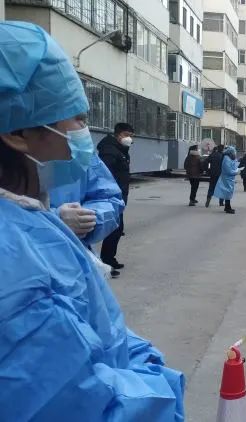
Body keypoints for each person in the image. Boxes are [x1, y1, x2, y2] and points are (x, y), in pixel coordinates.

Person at [0, 21, 184, 420]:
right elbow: (80, 401)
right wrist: (160, 383)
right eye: (77, 120)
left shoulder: (30, 224)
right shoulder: (18, 264)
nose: (83, 134)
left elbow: (97, 333)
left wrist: (134, 354)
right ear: (17, 133)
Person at [48, 153, 125, 248]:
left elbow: (108, 197)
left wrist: (87, 219)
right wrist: (55, 220)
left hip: (76, 249)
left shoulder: (81, 151)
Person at [98, 121, 134, 276]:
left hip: (119, 195)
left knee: (117, 229)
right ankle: (105, 262)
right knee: (114, 229)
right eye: (126, 135)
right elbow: (106, 173)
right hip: (111, 195)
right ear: (117, 134)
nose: (129, 138)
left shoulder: (120, 149)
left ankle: (109, 258)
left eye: (131, 136)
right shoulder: (109, 150)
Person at [213, 146, 240, 214]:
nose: (235, 153)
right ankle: (227, 208)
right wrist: (237, 172)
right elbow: (229, 171)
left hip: (229, 179)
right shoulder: (227, 159)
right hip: (227, 179)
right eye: (234, 152)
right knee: (227, 193)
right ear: (230, 152)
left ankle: (228, 207)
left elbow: (232, 167)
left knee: (228, 193)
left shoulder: (229, 158)